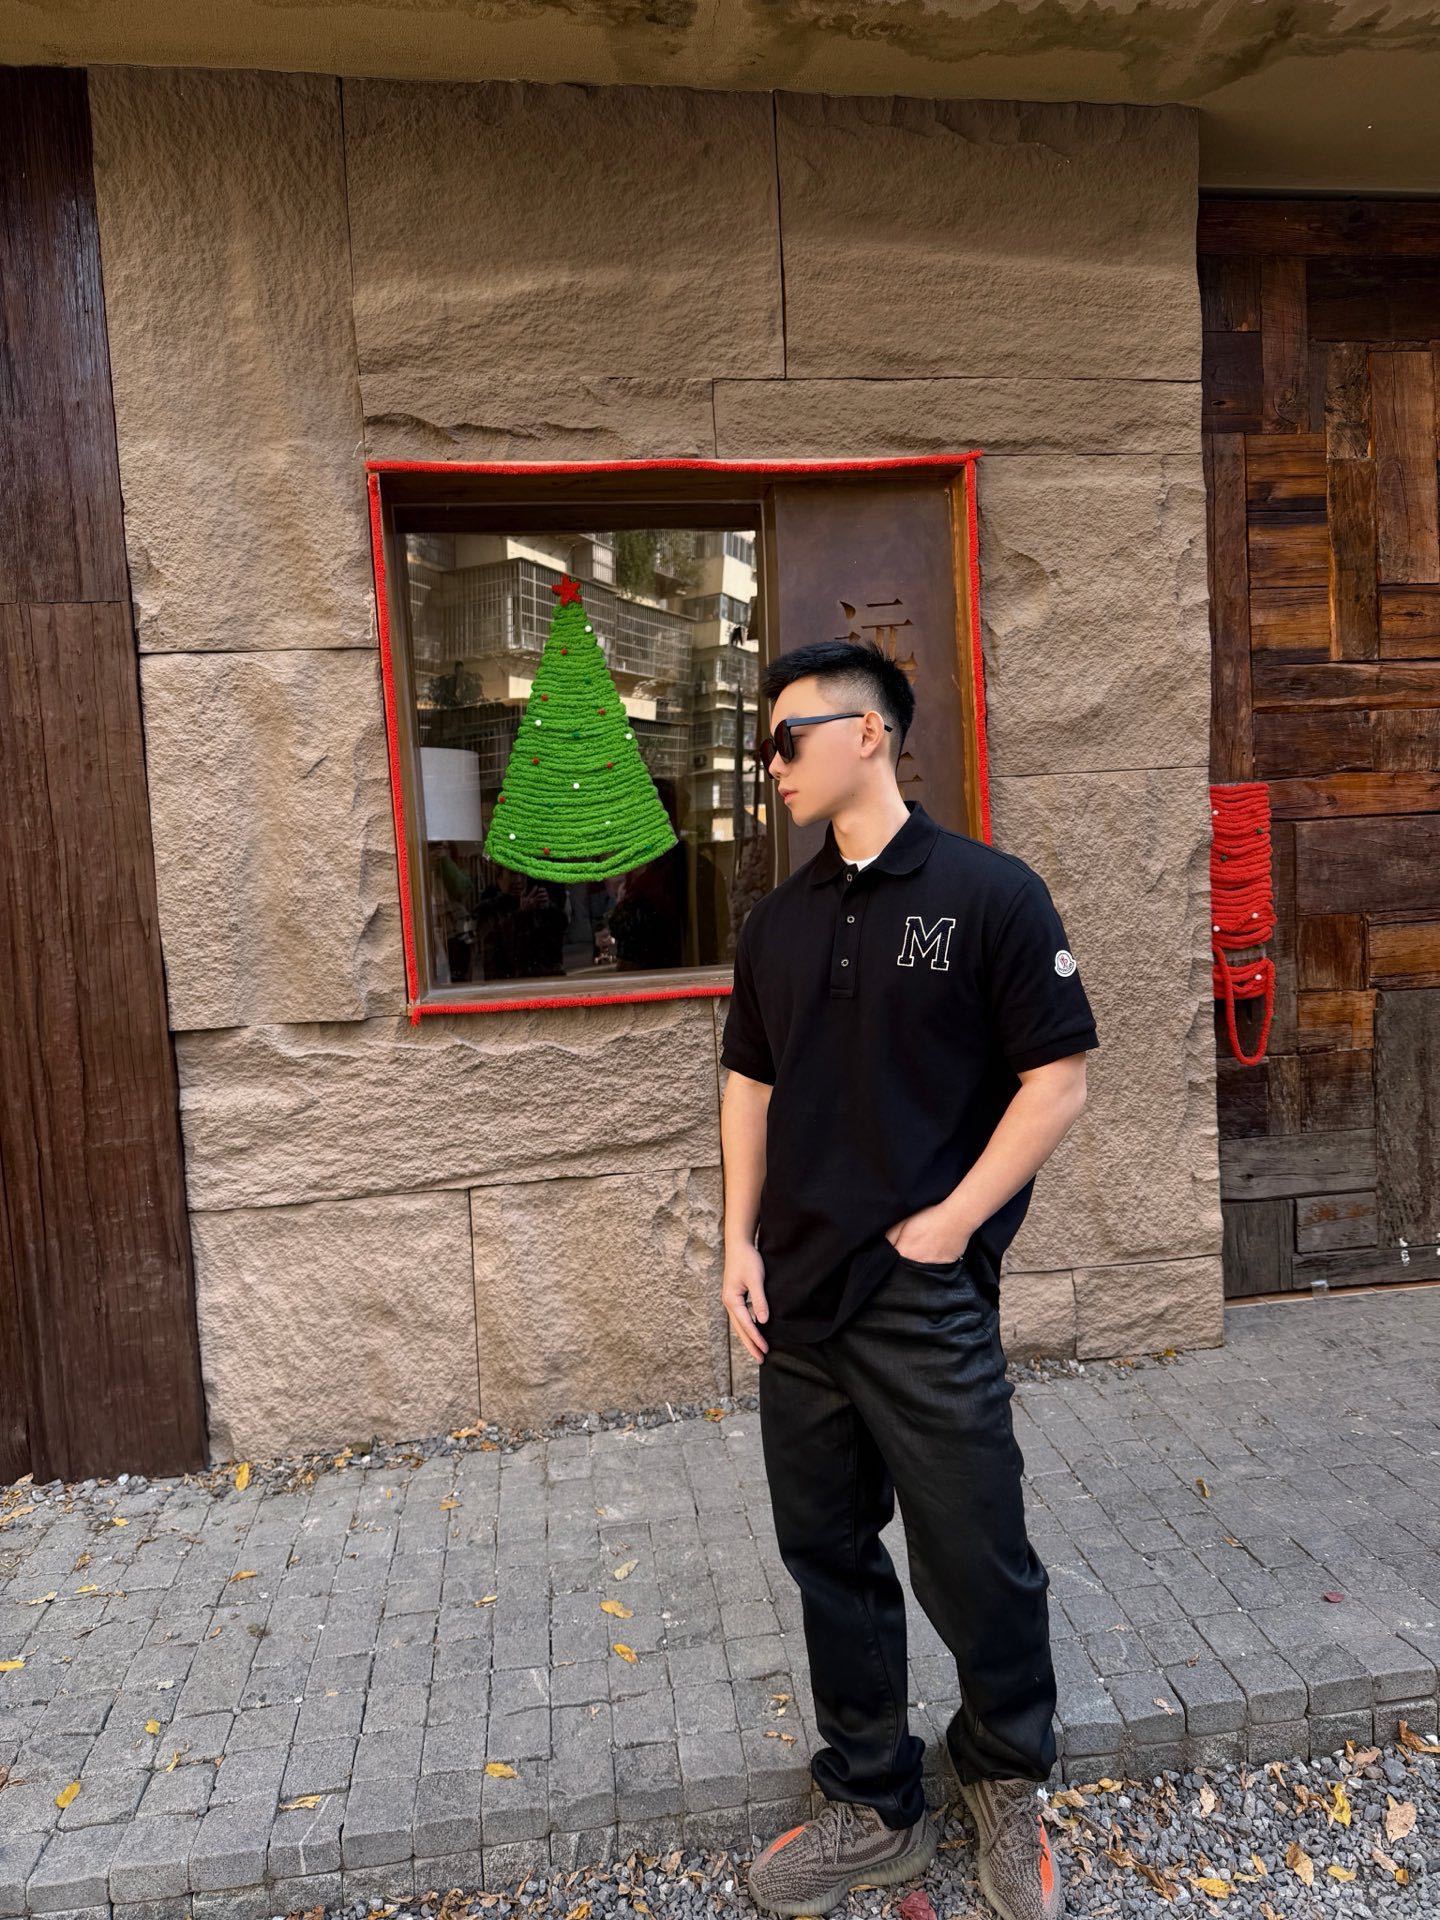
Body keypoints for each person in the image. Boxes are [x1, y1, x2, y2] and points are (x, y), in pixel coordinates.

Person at [720, 638, 1099, 1920]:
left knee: (976, 1555)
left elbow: (1057, 1079)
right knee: (829, 1557)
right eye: (765, 744)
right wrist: (736, 1244)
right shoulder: (776, 923)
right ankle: (874, 1801)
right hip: (797, 1303)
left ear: (868, 733)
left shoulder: (990, 895)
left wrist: (954, 1224)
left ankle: (1003, 1777)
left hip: (921, 1299)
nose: (769, 762)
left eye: (787, 738)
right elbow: (748, 1085)